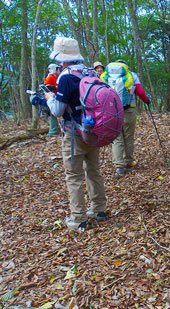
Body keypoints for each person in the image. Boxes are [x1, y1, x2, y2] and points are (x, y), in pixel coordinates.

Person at [44, 37, 107, 231]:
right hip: (93, 130)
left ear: (62, 58)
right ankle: (99, 209)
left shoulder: (65, 76)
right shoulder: (89, 71)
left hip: (73, 133)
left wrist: (48, 98)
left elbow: (57, 111)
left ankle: (78, 218)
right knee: (94, 169)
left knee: (74, 175)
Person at [106, 60, 150, 176]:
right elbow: (139, 91)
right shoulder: (131, 75)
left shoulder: (107, 76)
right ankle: (128, 161)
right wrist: (146, 100)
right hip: (128, 109)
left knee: (117, 138)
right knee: (128, 136)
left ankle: (119, 166)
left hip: (112, 110)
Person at [44, 63, 61, 136]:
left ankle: (55, 129)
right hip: (51, 98)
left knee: (55, 113)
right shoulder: (50, 77)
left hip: (54, 97)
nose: (59, 71)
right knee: (54, 113)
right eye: (58, 69)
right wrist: (55, 88)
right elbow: (46, 86)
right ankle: (53, 131)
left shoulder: (54, 77)